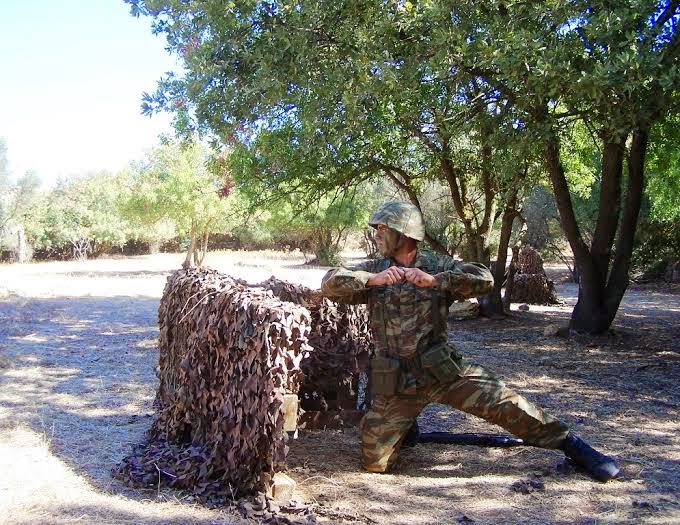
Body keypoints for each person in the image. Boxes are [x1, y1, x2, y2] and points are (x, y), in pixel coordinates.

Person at [321, 201, 619, 482]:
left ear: (404, 233)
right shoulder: (375, 269)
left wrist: (437, 280)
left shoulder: (437, 265)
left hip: (443, 372)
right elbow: (330, 282)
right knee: (374, 463)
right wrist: (373, 280)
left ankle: (572, 444)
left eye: (382, 230)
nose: (376, 236)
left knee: (507, 404)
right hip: (397, 384)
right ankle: (406, 428)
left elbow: (485, 279)